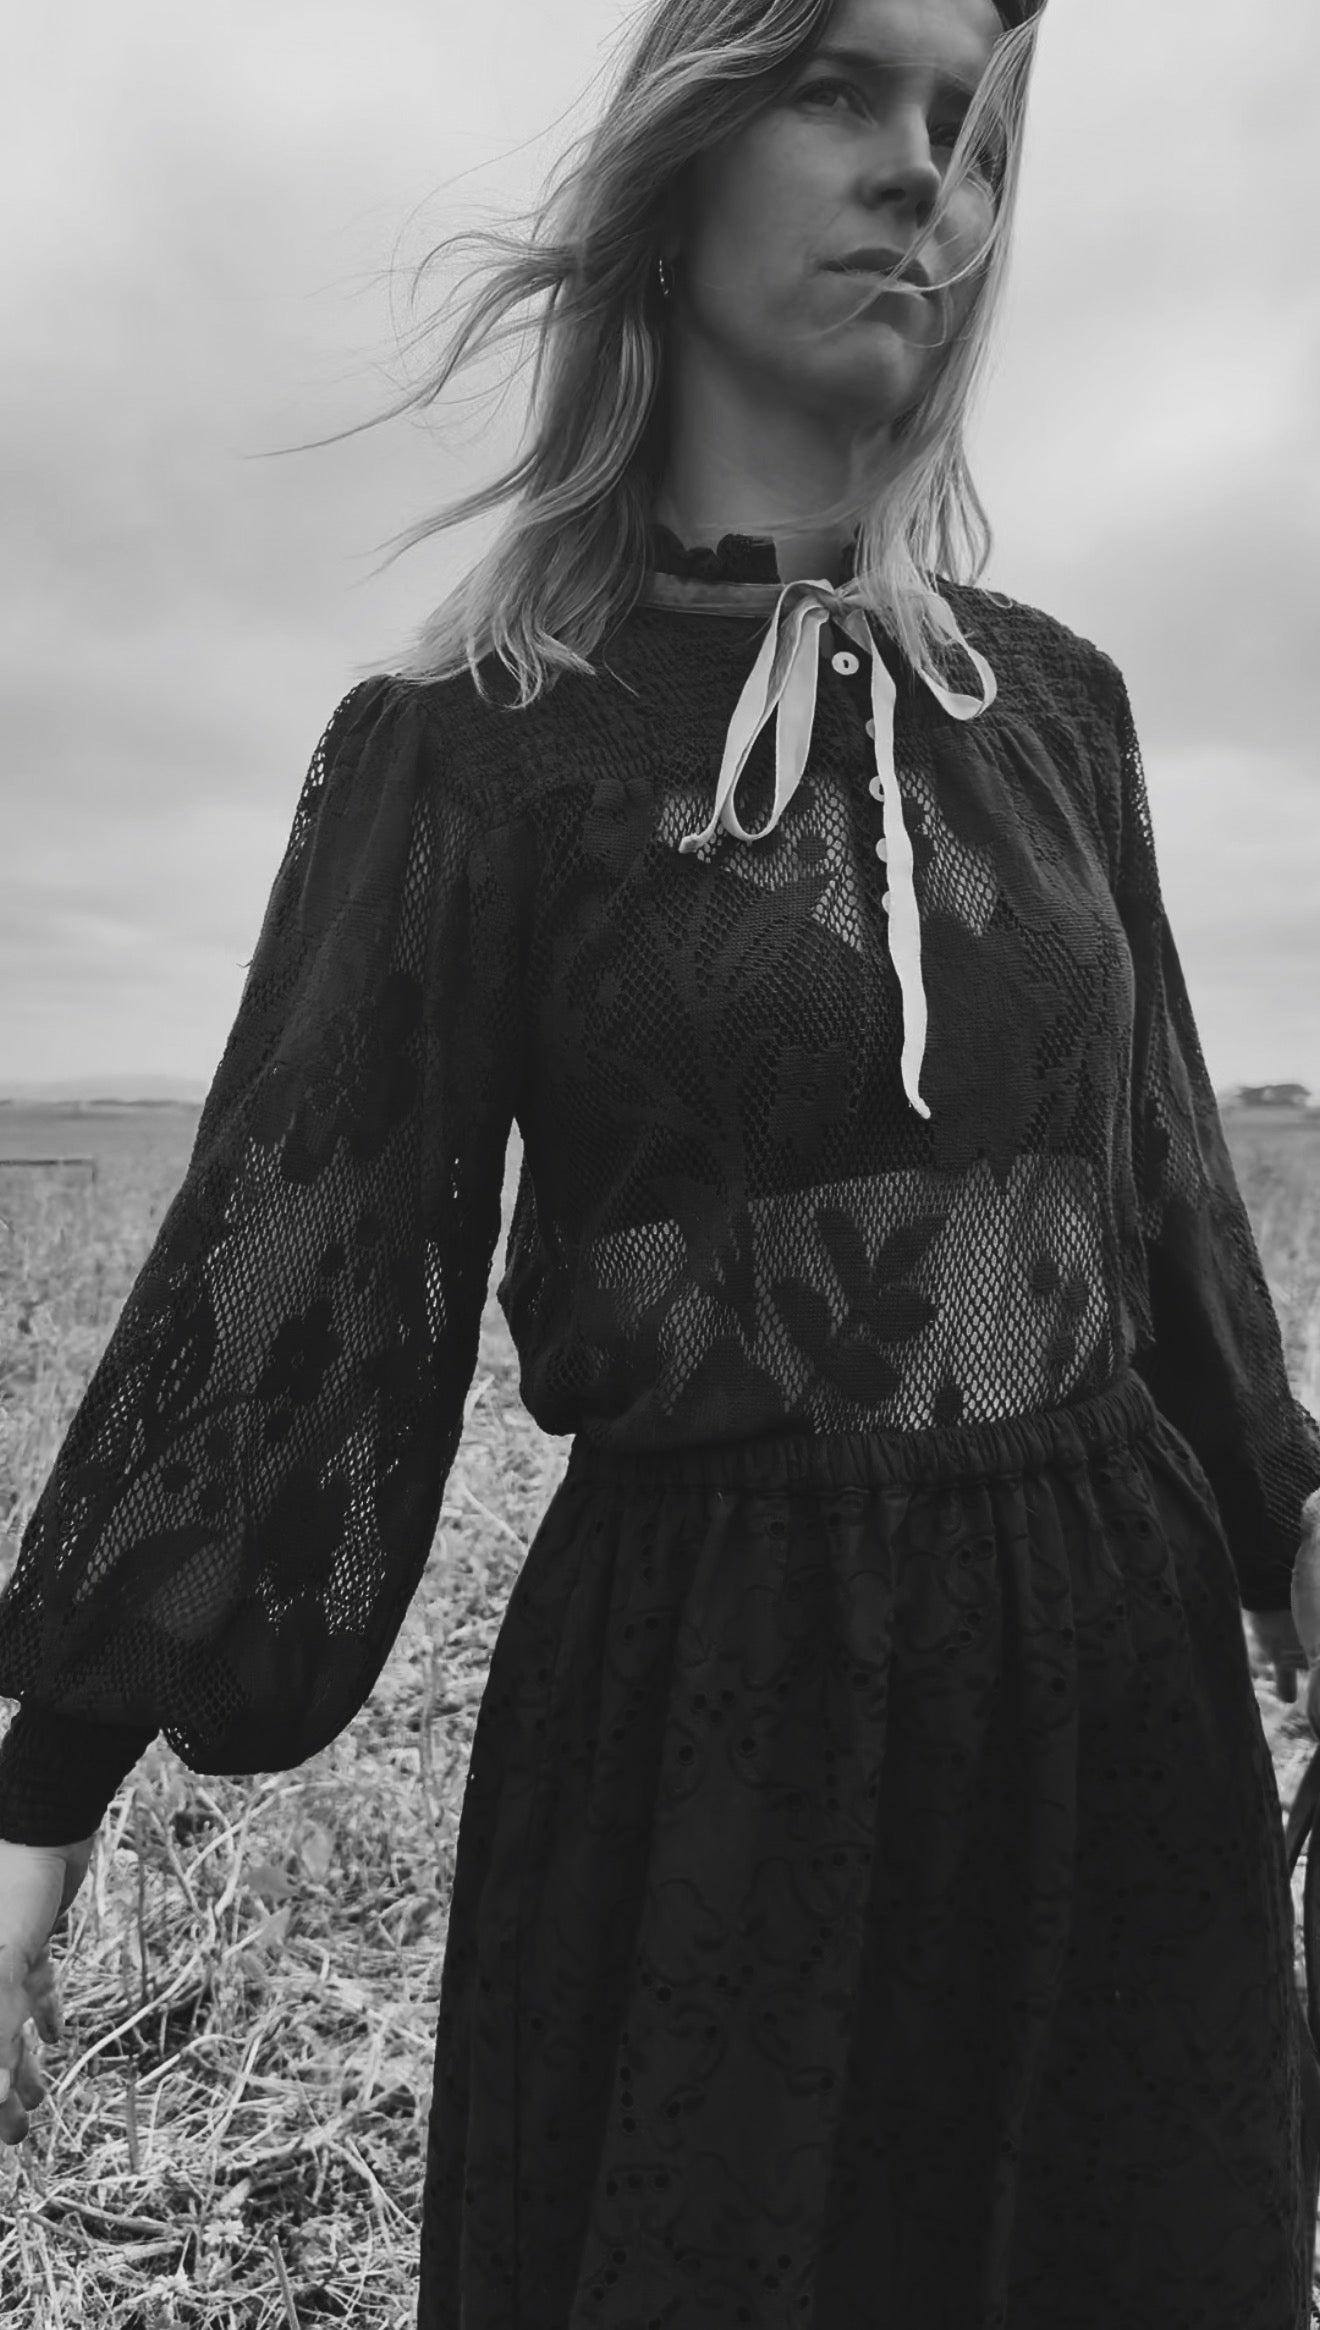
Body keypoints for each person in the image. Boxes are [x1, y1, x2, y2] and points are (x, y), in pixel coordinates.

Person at [2, 0, 1319, 2320]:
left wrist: (1291, 1527)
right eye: (843, 88)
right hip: (720, 1719)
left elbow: (1163, 1207)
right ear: (680, 159)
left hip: (1117, 1709)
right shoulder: (476, 748)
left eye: (966, 123)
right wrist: (38, 1797)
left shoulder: (1061, 710)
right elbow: (293, 1287)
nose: (925, 172)